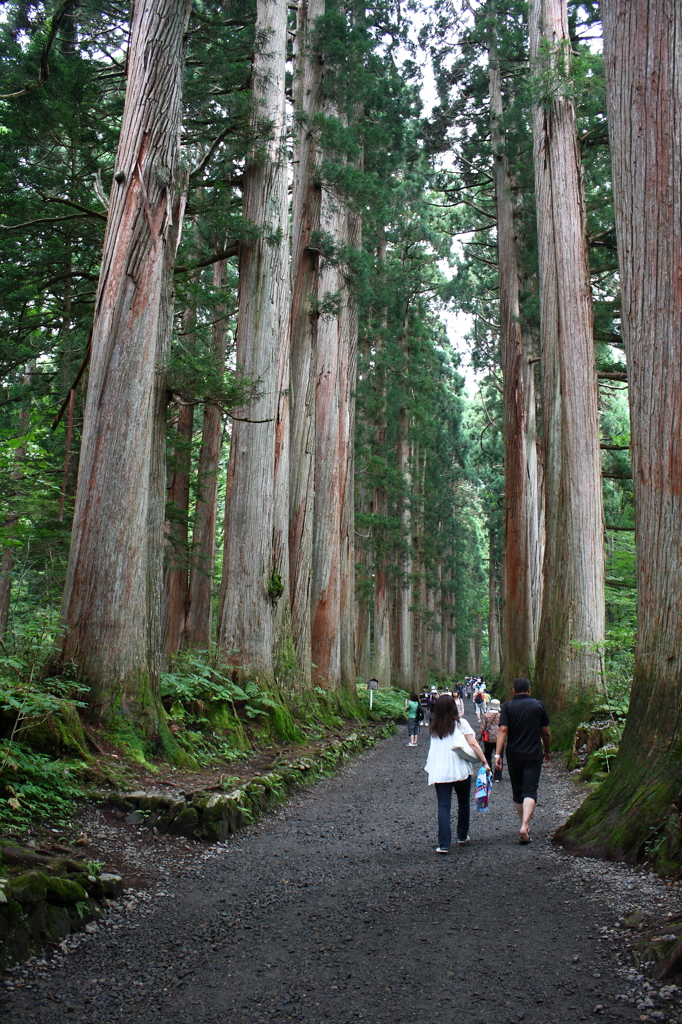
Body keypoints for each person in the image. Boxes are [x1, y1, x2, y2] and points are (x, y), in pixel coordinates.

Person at [424, 694, 490, 853]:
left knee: (443, 806)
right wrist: (484, 762)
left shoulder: (434, 727)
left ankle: (444, 844)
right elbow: (473, 743)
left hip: (440, 771)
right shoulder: (461, 724)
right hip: (460, 769)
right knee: (463, 803)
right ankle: (462, 835)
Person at [494, 678, 551, 844]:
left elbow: (503, 730)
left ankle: (523, 824)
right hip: (533, 754)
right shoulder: (538, 706)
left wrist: (498, 755)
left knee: (518, 791)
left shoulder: (508, 706)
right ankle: (525, 825)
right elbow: (546, 732)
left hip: (514, 754)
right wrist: (547, 750)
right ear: (529, 690)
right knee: (530, 790)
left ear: (513, 690)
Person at [478, 698, 502, 781]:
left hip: (488, 738)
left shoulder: (486, 715)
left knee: (488, 755)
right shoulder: (501, 715)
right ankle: (498, 776)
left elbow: (482, 727)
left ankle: (489, 772)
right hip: (499, 738)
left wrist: (479, 739)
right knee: (499, 756)